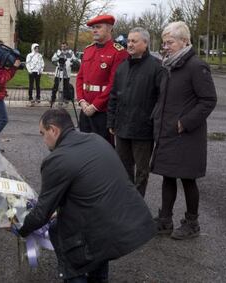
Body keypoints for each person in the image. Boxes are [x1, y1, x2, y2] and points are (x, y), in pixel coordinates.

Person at [17, 109, 156, 282]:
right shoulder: (96, 139)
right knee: (96, 253)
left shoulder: (57, 159)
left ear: (53, 130)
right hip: (127, 221)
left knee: (60, 232)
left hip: (98, 231)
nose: (43, 139)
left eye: (42, 133)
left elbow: (42, 212)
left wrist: (21, 229)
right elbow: (87, 188)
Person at [151, 22, 217, 240]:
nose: (166, 47)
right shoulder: (169, 66)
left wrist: (185, 122)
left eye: (170, 42)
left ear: (185, 41)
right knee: (168, 177)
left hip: (187, 135)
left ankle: (192, 223)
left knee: (188, 179)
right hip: (168, 132)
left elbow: (208, 100)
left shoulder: (196, 66)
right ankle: (164, 220)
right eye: (164, 43)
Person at [107, 27, 163, 198]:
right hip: (122, 128)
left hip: (143, 130)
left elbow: (161, 100)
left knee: (142, 172)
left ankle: (138, 202)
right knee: (123, 168)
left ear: (145, 43)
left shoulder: (157, 68)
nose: (129, 44)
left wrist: (153, 123)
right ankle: (126, 200)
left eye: (134, 41)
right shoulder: (122, 67)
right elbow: (114, 96)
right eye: (129, 41)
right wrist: (111, 121)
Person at [76, 14, 128, 145]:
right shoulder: (88, 50)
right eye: (93, 27)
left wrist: (95, 106)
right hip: (85, 108)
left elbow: (114, 84)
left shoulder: (118, 52)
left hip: (103, 112)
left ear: (109, 28)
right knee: (84, 148)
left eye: (98, 27)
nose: (94, 30)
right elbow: (80, 78)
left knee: (103, 149)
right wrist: (81, 101)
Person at [51, 42, 77, 106]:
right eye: (62, 46)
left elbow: (75, 61)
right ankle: (53, 99)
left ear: (67, 46)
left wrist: (72, 64)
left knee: (66, 87)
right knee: (55, 86)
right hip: (59, 72)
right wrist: (58, 63)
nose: (63, 47)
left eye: (64, 46)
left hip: (67, 73)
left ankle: (66, 99)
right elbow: (53, 60)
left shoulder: (70, 53)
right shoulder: (58, 53)